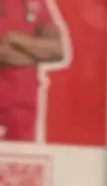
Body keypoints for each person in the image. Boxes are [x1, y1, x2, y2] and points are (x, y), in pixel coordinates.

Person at [0, 0, 67, 142]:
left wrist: (15, 39)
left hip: (22, 110)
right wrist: (33, 54)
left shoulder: (33, 3)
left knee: (20, 155)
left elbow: (57, 49)